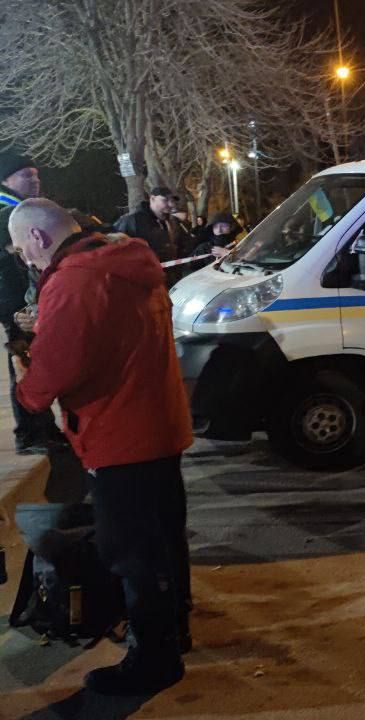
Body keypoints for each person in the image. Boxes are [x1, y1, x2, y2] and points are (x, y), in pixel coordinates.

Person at [10, 198, 193, 695]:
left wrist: (27, 390)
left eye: (23, 249)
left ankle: (154, 659)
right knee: (164, 537)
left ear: (39, 237)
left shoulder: (74, 280)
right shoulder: (125, 260)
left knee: (131, 551)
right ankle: (174, 628)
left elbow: (57, 367)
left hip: (117, 432)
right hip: (159, 423)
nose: (27, 259)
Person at [0, 151, 61, 454]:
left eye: (36, 174)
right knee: (24, 360)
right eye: (26, 175)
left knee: (34, 358)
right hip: (14, 299)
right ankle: (30, 433)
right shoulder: (6, 212)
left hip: (23, 296)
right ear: (6, 180)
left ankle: (43, 427)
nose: (34, 180)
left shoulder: (19, 208)